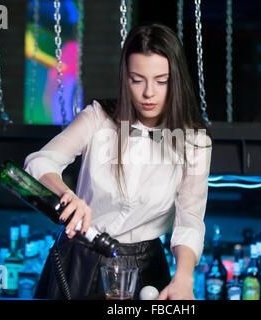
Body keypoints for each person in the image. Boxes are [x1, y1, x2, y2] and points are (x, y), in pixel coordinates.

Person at [24, 23, 212, 300]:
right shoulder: (97, 118)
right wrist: (65, 194)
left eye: (161, 80)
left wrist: (183, 277)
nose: (149, 93)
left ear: (177, 80)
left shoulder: (195, 142)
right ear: (126, 78)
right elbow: (40, 162)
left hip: (145, 268)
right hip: (79, 262)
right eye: (138, 79)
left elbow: (189, 221)